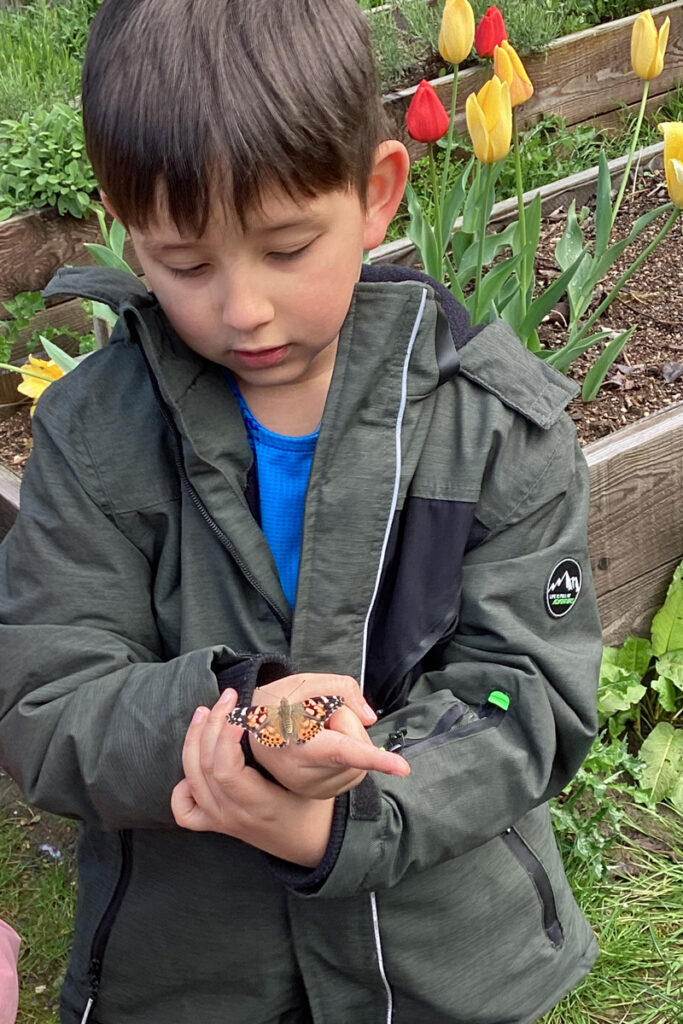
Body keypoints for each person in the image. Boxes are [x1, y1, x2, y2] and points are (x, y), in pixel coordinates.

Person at [0, 1, 603, 1021]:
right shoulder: (93, 436)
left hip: (446, 967)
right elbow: (46, 699)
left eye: (284, 247)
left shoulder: (493, 425)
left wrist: (347, 815)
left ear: (375, 196)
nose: (241, 308)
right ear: (126, 227)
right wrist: (240, 721)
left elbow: (523, 695)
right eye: (186, 262)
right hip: (188, 973)